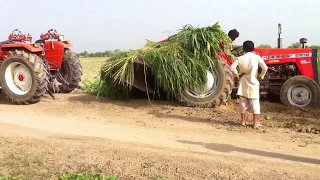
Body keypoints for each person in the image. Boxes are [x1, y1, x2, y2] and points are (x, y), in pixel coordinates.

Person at [230, 40, 268, 129]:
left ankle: (243, 121)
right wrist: (261, 76)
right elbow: (265, 68)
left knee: (243, 101)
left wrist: (238, 75)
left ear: (243, 49)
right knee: (254, 102)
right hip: (253, 80)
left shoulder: (240, 58)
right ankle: (255, 123)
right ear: (253, 48)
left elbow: (232, 67)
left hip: (243, 80)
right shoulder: (256, 57)